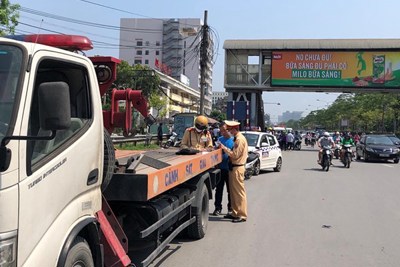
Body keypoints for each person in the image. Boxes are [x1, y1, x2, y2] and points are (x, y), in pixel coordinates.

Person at [218, 120, 248, 223]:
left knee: (239, 193)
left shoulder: (239, 140)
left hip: (237, 167)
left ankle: (242, 214)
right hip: (233, 168)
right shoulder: (237, 138)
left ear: (235, 129)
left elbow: (235, 155)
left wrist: (224, 148)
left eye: (230, 129)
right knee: (233, 193)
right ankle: (235, 212)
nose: (229, 131)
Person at [213, 122, 234, 216]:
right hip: (220, 168)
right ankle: (218, 207)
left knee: (230, 190)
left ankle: (230, 208)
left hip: (230, 169)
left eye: (224, 130)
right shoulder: (219, 140)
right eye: (221, 131)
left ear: (229, 130)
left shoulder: (234, 140)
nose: (222, 133)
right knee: (219, 189)